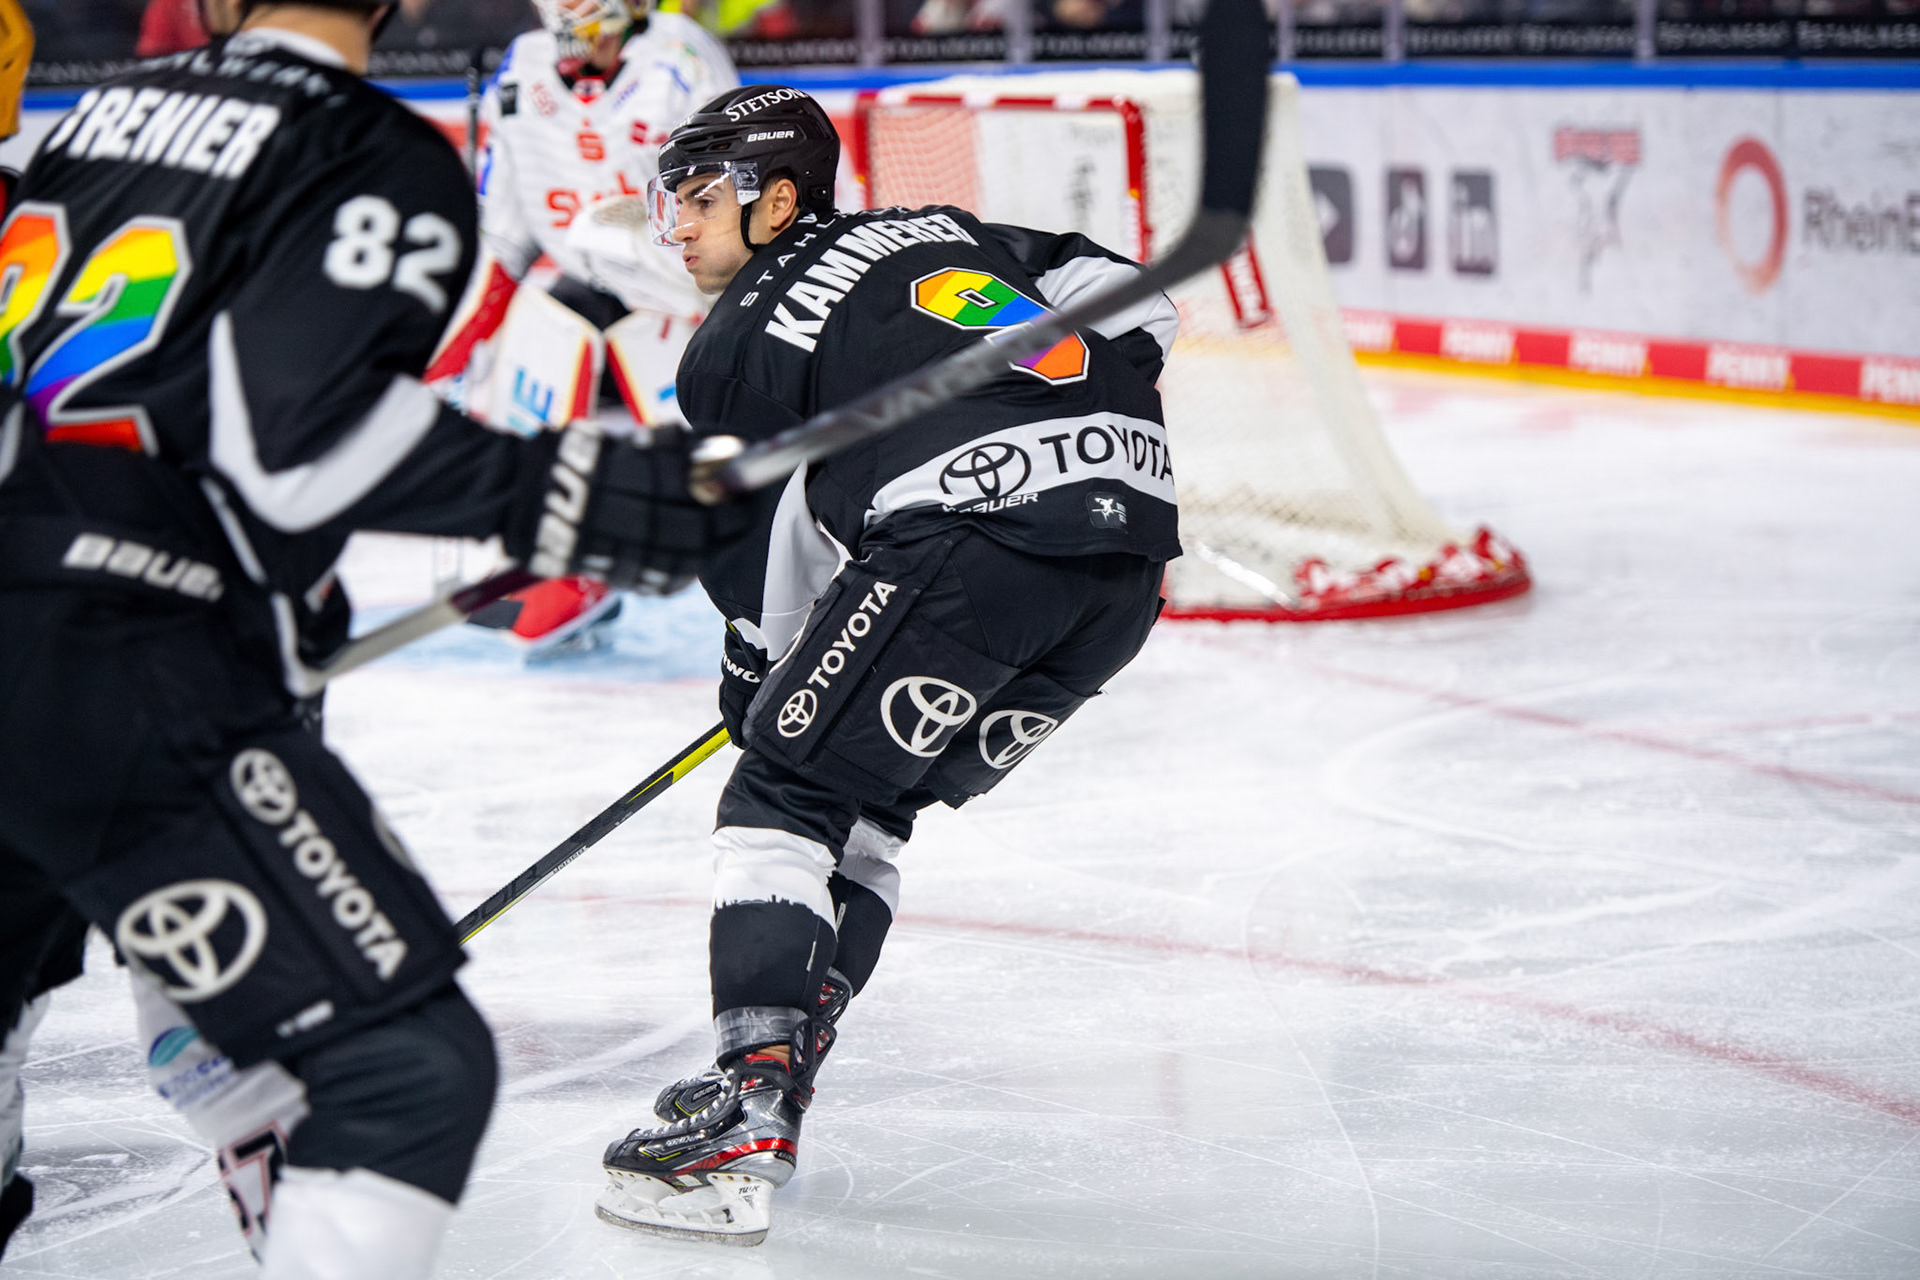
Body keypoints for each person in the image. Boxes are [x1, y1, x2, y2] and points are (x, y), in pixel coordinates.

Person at [0, 2, 743, 1273]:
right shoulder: (365, 146)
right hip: (118, 653)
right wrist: (582, 493)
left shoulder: (86, 128)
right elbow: (297, 448)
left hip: (52, 609)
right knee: (403, 1070)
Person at [593, 84, 1182, 1246]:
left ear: (776, 199)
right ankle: (777, 1088)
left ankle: (747, 1108)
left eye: (704, 198)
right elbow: (1144, 307)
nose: (684, 226)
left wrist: (757, 685)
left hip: (972, 540)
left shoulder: (729, 347)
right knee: (868, 809)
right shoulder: (950, 229)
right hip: (1125, 560)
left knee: (783, 790)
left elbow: (767, 557)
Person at [426, 0, 735, 652]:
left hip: (690, 293)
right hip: (590, 281)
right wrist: (447, 345)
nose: (575, 32)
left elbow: (731, 203)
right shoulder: (523, 68)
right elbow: (503, 231)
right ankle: (557, 564)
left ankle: (776, 568)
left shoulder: (680, 57)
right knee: (540, 331)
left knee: (725, 454)